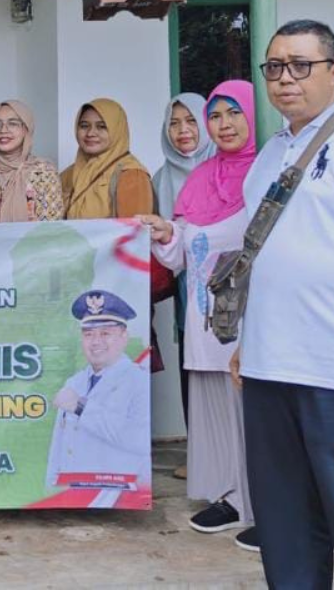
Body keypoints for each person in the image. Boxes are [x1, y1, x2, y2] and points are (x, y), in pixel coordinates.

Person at [234, 19, 334, 586]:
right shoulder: (272, 152)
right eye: (274, 67)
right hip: (269, 364)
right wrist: (247, 343)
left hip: (326, 366)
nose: (285, 78)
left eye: (301, 65)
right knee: (286, 523)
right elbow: (256, 245)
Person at [142, 80, 258, 552]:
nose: (223, 125)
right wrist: (165, 232)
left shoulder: (267, 173)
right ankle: (230, 498)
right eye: (216, 116)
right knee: (215, 412)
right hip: (205, 321)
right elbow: (182, 254)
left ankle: (266, 505)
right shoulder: (200, 178)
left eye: (233, 113)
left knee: (255, 415)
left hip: (251, 320)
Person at [150, 92, 215, 477]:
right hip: (187, 287)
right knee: (192, 367)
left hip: (226, 287)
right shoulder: (161, 178)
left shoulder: (224, 166)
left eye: (191, 121)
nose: (183, 130)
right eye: (174, 123)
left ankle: (235, 454)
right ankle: (199, 454)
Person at [45, 290, 151, 492]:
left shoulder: (138, 381)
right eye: (89, 334)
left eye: (105, 333)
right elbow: (58, 448)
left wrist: (82, 408)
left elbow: (139, 439)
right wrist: (50, 490)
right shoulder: (74, 382)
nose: (96, 342)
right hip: (72, 493)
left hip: (115, 493)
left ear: (124, 337)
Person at [0, 99, 63, 223]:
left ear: (26, 129)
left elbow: (51, 227)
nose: (3, 130)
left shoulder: (44, 172)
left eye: (12, 123)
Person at [60, 98, 153, 219]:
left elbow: (134, 228)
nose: (90, 133)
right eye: (84, 126)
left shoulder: (131, 175)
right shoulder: (69, 175)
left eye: (102, 126)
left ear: (117, 130)